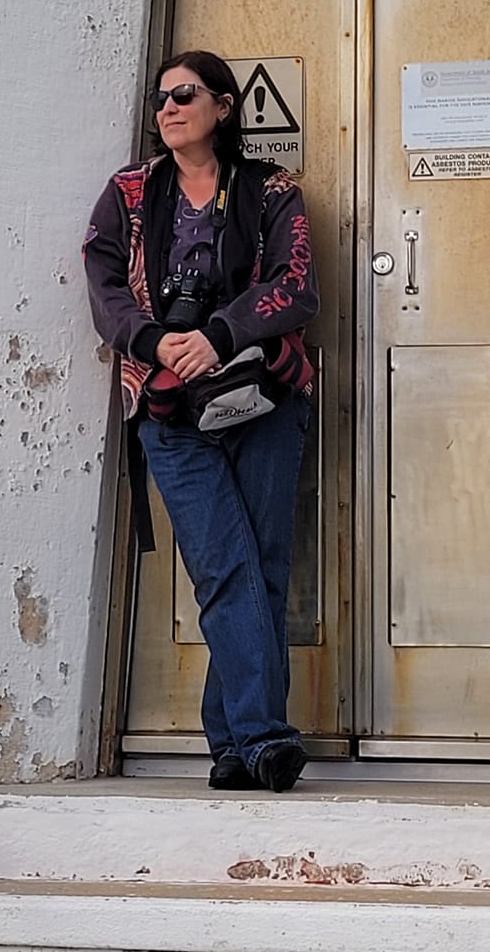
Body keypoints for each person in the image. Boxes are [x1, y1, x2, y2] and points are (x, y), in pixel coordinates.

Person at [84, 50, 319, 792]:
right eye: (160, 100)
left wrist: (219, 335)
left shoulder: (272, 190)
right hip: (168, 406)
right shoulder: (126, 195)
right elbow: (104, 287)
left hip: (262, 399)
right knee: (225, 564)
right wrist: (159, 343)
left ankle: (232, 746)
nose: (168, 109)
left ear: (223, 106)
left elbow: (297, 285)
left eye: (183, 95)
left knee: (263, 570)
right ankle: (263, 736)